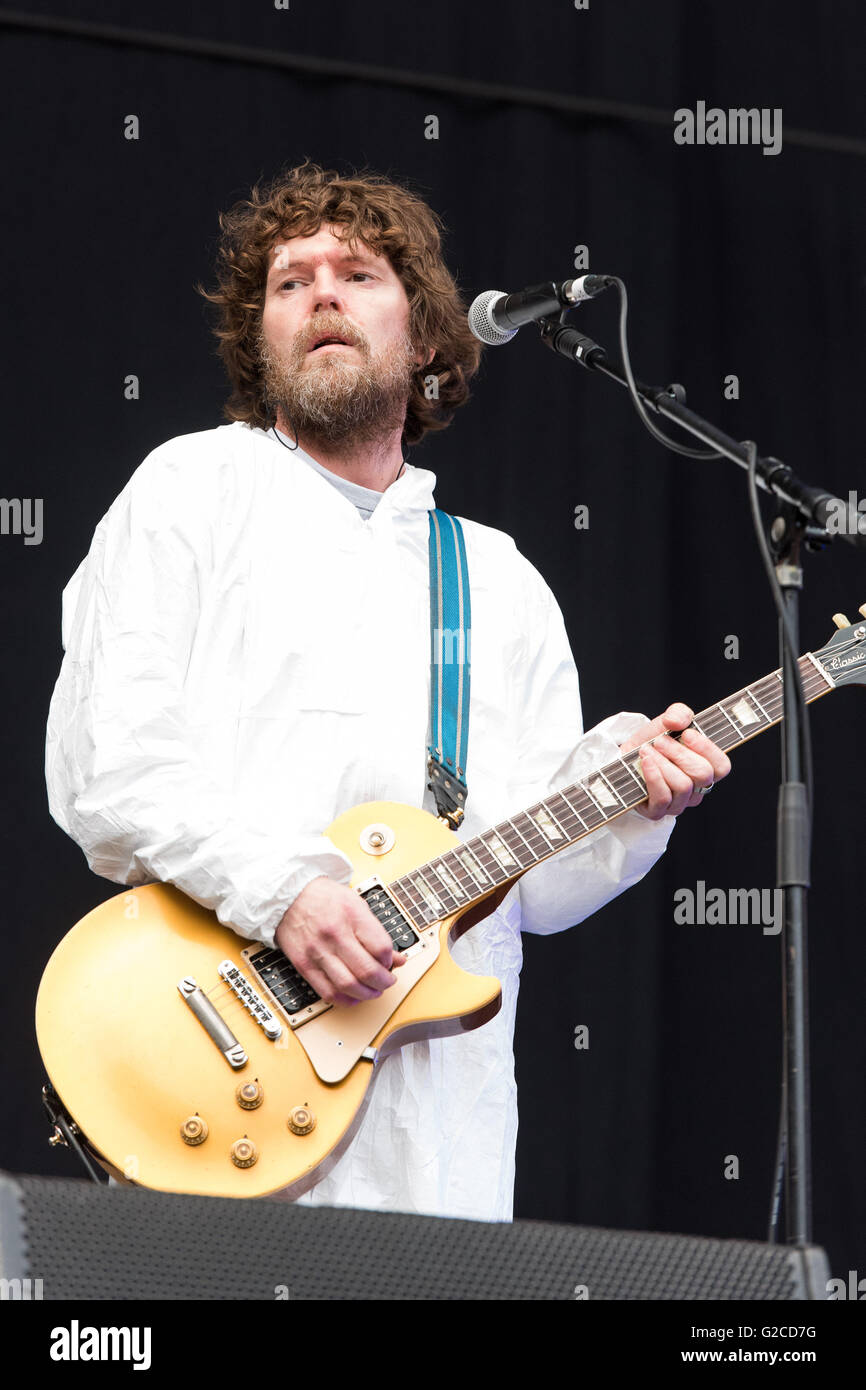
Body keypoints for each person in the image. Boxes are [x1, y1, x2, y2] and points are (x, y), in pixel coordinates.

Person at [45, 161, 731, 1222]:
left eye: (356, 272)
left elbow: (534, 890)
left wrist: (637, 806)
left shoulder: (495, 579)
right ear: (257, 337)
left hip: (437, 1140)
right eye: (287, 281)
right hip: (218, 1079)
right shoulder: (190, 490)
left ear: (422, 340)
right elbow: (109, 763)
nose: (319, 292)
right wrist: (286, 894)